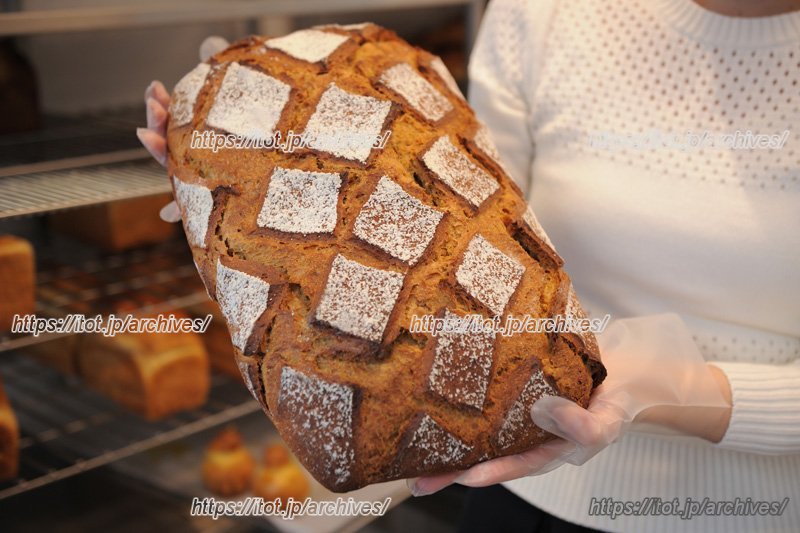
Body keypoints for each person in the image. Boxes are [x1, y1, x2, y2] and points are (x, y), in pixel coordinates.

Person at [138, 1, 800, 529]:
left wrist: (682, 388)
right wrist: (232, 184)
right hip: (527, 499)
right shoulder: (548, 13)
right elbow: (465, 202)